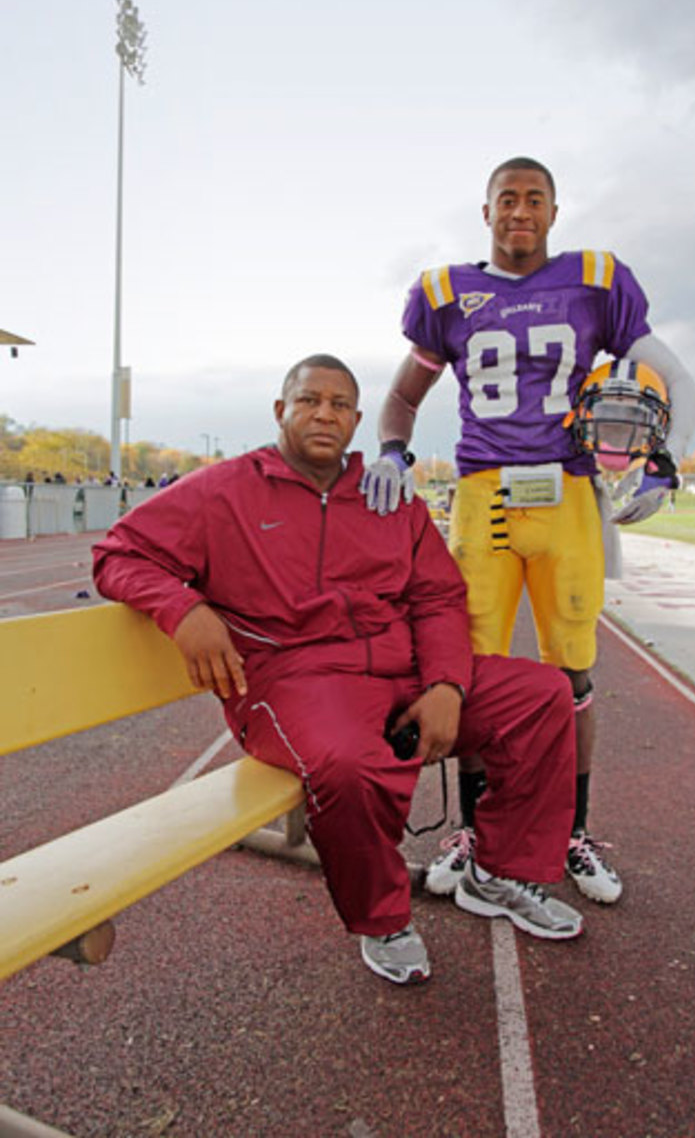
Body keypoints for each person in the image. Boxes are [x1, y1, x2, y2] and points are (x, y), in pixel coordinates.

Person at [92, 353, 584, 986]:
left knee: (542, 694)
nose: (324, 413)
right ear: (280, 410)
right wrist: (184, 609)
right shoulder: (223, 491)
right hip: (293, 680)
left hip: (401, 669)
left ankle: (498, 873)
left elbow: (436, 595)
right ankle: (382, 919)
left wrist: (445, 685)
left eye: (340, 404)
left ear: (357, 421)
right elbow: (117, 555)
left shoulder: (386, 497)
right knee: (349, 766)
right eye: (308, 400)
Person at [361, 157, 695, 906]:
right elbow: (401, 396)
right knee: (472, 679)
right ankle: (477, 832)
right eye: (506, 199)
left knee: (573, 676)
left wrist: (664, 463)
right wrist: (391, 449)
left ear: (554, 211)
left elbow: (675, 379)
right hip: (483, 500)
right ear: (485, 213)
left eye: (534, 199)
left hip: (570, 494)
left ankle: (572, 831)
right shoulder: (447, 293)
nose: (520, 211)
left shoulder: (597, 280)